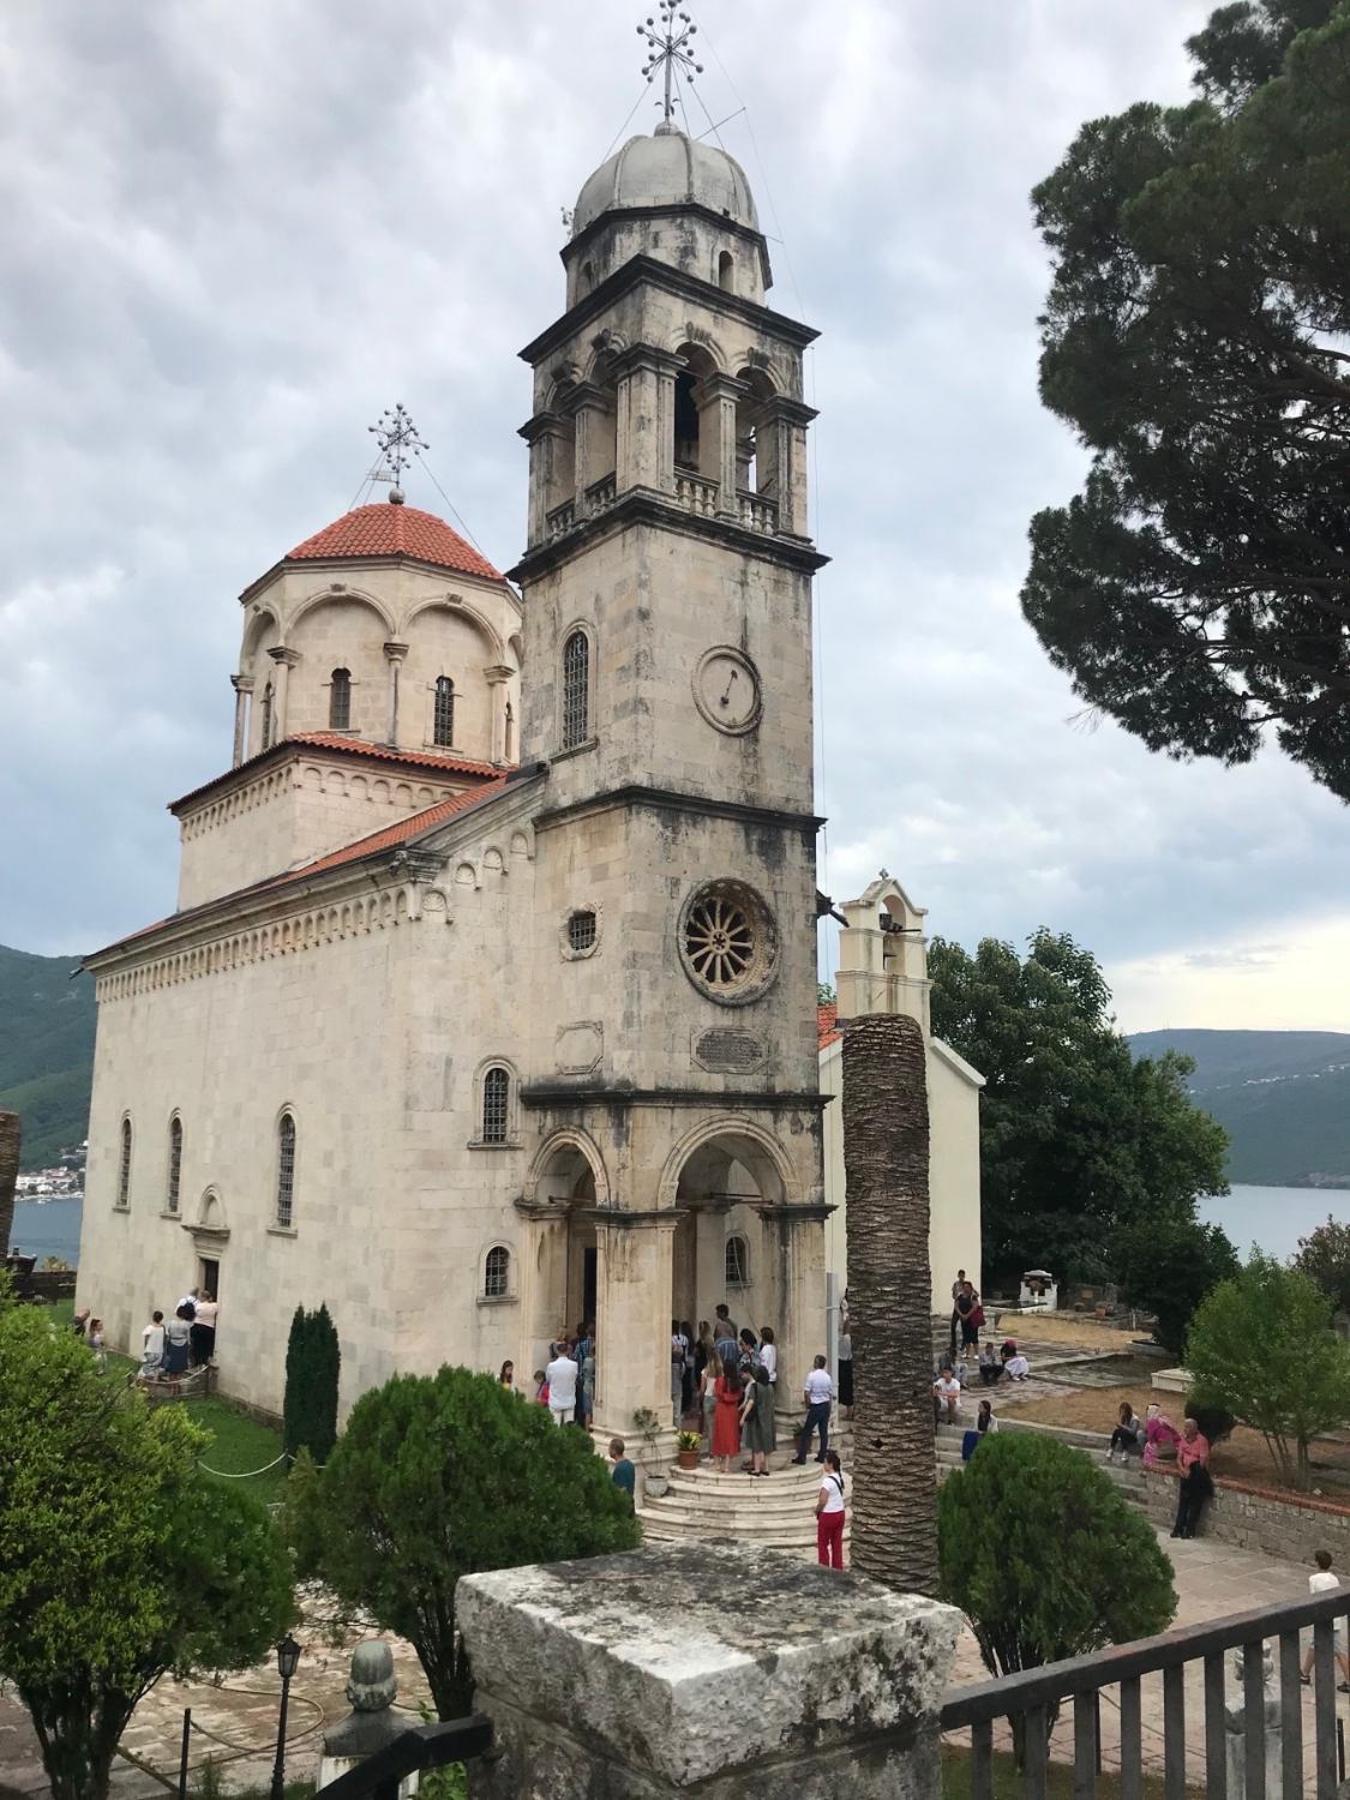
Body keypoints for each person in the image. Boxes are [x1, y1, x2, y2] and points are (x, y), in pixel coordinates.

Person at [1299, 1551, 1350, 1688]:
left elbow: (1313, 1598)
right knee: (1332, 1649)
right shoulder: (1334, 1578)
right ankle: (1305, 1673)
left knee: (1319, 1646)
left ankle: (1304, 1674)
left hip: (1322, 1619)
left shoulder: (1313, 1579)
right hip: (1336, 1618)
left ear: (1317, 1563)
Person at [1171, 1417, 1212, 1539]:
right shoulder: (1183, 1439)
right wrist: (1182, 1469)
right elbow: (1179, 1457)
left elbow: (1202, 1461)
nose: (1185, 1429)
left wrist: (1189, 1468)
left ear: (1195, 1429)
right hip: (1185, 1472)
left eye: (1188, 1427)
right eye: (1185, 1427)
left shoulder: (1202, 1441)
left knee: (1195, 1503)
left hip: (1196, 1473)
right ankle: (1178, 1527)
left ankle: (1189, 1530)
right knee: (1183, 1502)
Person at [792, 1355, 834, 1464]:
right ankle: (821, 1456)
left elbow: (806, 1392)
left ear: (816, 1363)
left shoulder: (812, 1376)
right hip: (825, 1405)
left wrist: (807, 1404)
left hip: (816, 1406)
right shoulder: (827, 1377)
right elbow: (829, 1394)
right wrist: (829, 1408)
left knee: (806, 1432)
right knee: (823, 1432)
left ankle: (802, 1457)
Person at [740, 1364, 776, 1476]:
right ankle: (766, 1467)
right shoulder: (770, 1387)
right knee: (767, 1443)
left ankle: (756, 1469)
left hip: (757, 1419)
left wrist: (743, 1417)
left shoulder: (755, 1387)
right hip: (768, 1418)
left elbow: (750, 1402)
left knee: (757, 1444)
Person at [815, 1449, 847, 1569]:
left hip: (829, 1515)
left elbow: (823, 1500)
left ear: (830, 1464)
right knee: (836, 1544)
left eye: (825, 1462)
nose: (824, 1465)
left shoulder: (827, 1481)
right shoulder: (839, 1477)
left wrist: (817, 1510)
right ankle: (837, 1568)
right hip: (840, 1513)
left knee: (823, 1544)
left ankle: (824, 1569)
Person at [712, 1354, 743, 1474]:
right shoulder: (737, 1382)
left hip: (722, 1409)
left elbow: (718, 1394)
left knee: (719, 1435)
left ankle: (717, 1464)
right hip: (732, 1410)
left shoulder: (720, 1381)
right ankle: (727, 1466)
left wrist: (724, 1397)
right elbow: (739, 1395)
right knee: (730, 1436)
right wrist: (731, 1398)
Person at [546, 1341, 578, 1426]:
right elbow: (575, 1377)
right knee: (569, 1427)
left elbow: (548, 1379)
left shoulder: (551, 1366)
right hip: (569, 1399)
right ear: (567, 1351)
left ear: (557, 1351)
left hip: (555, 1399)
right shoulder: (574, 1365)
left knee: (555, 1427)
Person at [699, 1343, 720, 1459]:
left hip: (708, 1398)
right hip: (717, 1398)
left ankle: (711, 1452)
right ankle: (718, 1451)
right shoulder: (721, 1371)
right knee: (717, 1427)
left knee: (710, 1428)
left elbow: (702, 1388)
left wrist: (700, 1398)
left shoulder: (705, 1371)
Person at [162, 1304, 193, 1375]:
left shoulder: (170, 1323)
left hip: (172, 1343)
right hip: (183, 1344)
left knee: (172, 1366)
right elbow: (188, 1337)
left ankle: (171, 1384)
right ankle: (177, 1384)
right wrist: (189, 1346)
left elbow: (167, 1335)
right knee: (180, 1367)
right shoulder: (187, 1324)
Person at [191, 1290, 218, 1366]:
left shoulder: (198, 1305)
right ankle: (204, 1361)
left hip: (198, 1326)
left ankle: (197, 1362)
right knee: (206, 1345)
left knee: (197, 1345)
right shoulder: (214, 1306)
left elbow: (195, 1314)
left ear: (203, 1297)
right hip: (209, 1328)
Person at [139, 1309, 166, 1382]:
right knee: (156, 1370)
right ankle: (154, 1387)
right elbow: (164, 1339)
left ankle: (139, 1384)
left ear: (153, 1317)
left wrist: (145, 1348)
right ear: (161, 1318)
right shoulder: (163, 1328)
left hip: (150, 1351)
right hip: (159, 1352)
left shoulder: (150, 1327)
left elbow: (146, 1339)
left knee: (144, 1369)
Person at [609, 1436, 636, 1503]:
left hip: (623, 1505)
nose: (608, 1451)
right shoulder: (630, 1465)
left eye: (610, 1448)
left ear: (614, 1451)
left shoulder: (619, 1469)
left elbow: (621, 1490)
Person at [671, 1320, 688, 1425]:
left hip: (675, 1366)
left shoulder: (670, 1339)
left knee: (675, 1396)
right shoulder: (684, 1338)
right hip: (681, 1365)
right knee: (677, 1397)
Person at [836, 1320, 853, 1418]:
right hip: (849, 1363)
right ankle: (850, 1412)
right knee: (849, 1389)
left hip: (843, 1363)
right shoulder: (849, 1338)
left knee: (846, 1389)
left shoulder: (844, 1339)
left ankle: (849, 1413)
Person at [680, 1318, 696, 1414]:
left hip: (685, 1362)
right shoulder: (690, 1338)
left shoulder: (683, 1338)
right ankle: (688, 1403)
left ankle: (685, 1403)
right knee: (688, 1383)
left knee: (684, 1383)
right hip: (691, 1362)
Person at [758, 1324, 778, 1388]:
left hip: (766, 1378)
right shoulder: (773, 1348)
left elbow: (764, 1364)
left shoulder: (765, 1349)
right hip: (772, 1377)